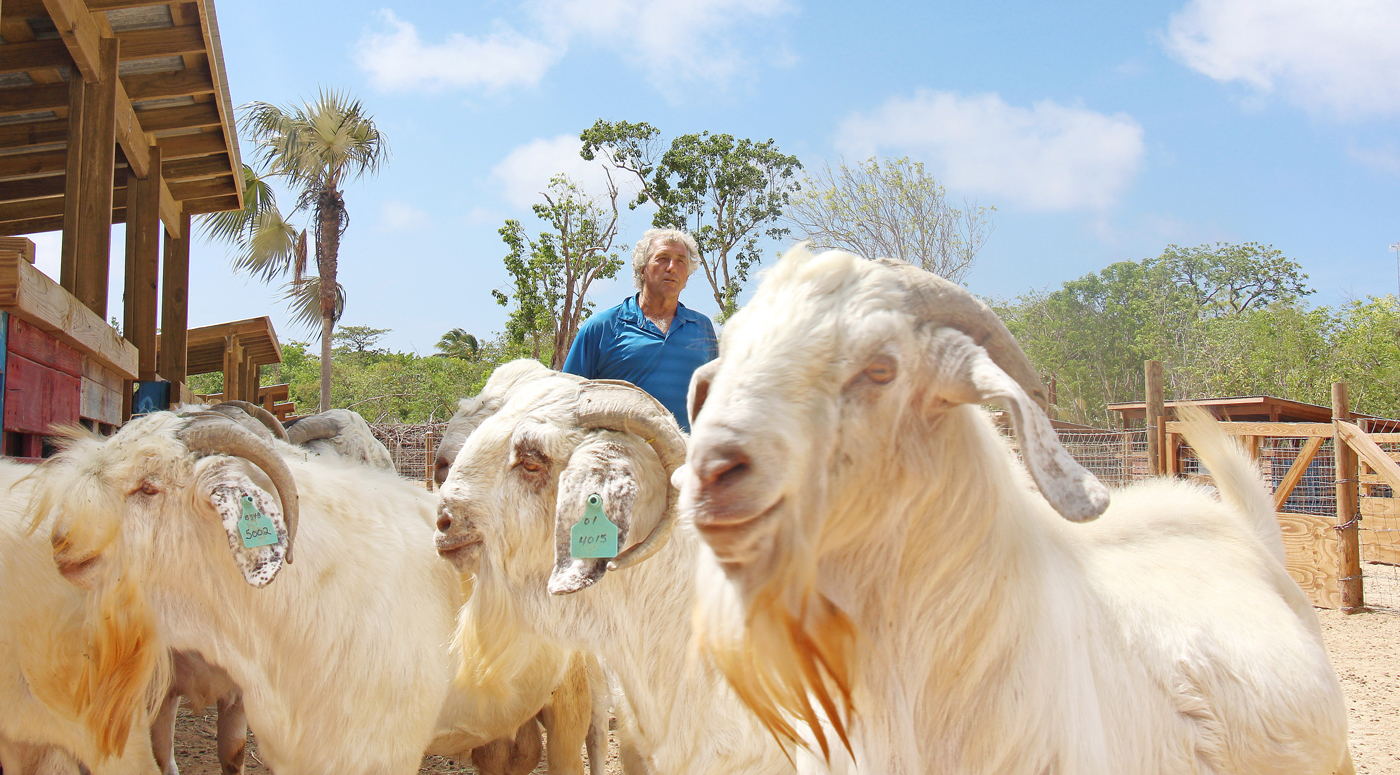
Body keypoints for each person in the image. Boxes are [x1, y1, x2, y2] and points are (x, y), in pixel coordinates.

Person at [562, 229, 718, 433]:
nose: (672, 267)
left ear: (687, 275)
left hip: (686, 460)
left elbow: (716, 399)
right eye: (662, 258)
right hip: (619, 460)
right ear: (642, 268)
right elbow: (566, 402)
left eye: (681, 261)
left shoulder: (702, 327)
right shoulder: (602, 326)